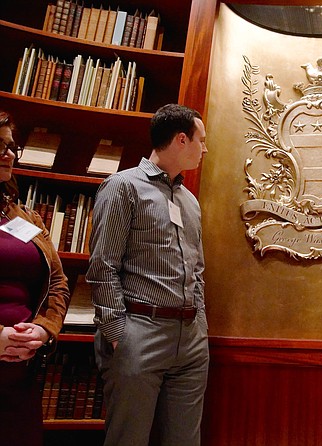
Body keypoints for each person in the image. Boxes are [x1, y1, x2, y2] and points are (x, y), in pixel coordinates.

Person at [87, 103, 209, 446]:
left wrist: (199, 323)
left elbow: (197, 270)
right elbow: (102, 265)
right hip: (139, 333)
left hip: (190, 340)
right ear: (181, 140)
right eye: (201, 140)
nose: (205, 149)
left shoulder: (189, 200)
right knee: (129, 439)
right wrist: (117, 334)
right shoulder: (123, 186)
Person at [0, 110, 70, 445]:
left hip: (20, 374)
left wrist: (44, 328)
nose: (9, 154)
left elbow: (58, 282)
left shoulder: (25, 216)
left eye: (12, 147)